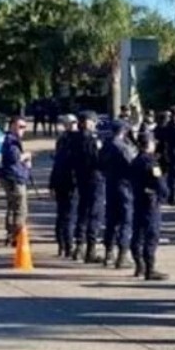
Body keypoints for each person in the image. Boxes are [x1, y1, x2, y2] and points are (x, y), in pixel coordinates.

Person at [130, 132, 170, 280]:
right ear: (149, 144)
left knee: (138, 233)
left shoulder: (135, 161)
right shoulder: (151, 163)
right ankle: (149, 268)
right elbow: (160, 184)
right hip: (150, 202)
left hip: (138, 199)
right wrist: (164, 195)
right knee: (151, 234)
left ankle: (139, 265)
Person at [100, 120, 138, 269]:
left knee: (111, 219)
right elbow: (132, 165)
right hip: (125, 185)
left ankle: (108, 252)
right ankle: (122, 254)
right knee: (126, 219)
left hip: (110, 183)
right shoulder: (123, 147)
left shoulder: (106, 145)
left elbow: (100, 163)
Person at [71, 111, 106, 263]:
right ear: (90, 122)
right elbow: (98, 159)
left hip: (80, 177)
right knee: (95, 213)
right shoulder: (92, 139)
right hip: (94, 178)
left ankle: (79, 246)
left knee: (82, 211)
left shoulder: (73, 137)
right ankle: (90, 249)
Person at [0, 116, 32, 246]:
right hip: (15, 178)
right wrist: (27, 156)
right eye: (20, 126)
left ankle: (10, 235)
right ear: (12, 126)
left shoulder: (11, 139)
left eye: (24, 127)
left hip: (11, 176)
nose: (22, 130)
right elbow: (14, 158)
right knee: (20, 208)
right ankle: (17, 236)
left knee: (12, 207)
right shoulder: (11, 140)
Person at [50, 115, 79, 258]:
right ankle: (67, 246)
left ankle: (62, 245)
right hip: (69, 183)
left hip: (60, 181)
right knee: (68, 215)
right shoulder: (74, 140)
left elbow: (56, 163)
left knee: (62, 215)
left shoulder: (61, 140)